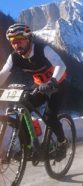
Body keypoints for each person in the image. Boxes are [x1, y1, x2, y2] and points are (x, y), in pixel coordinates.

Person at [1, 23, 68, 160]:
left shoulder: (43, 50)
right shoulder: (14, 57)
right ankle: (28, 147)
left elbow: (61, 65)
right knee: (24, 109)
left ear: (29, 38)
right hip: (40, 86)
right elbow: (3, 73)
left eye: (19, 39)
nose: (16, 44)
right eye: (13, 42)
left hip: (58, 85)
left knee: (50, 117)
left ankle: (62, 143)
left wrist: (53, 81)